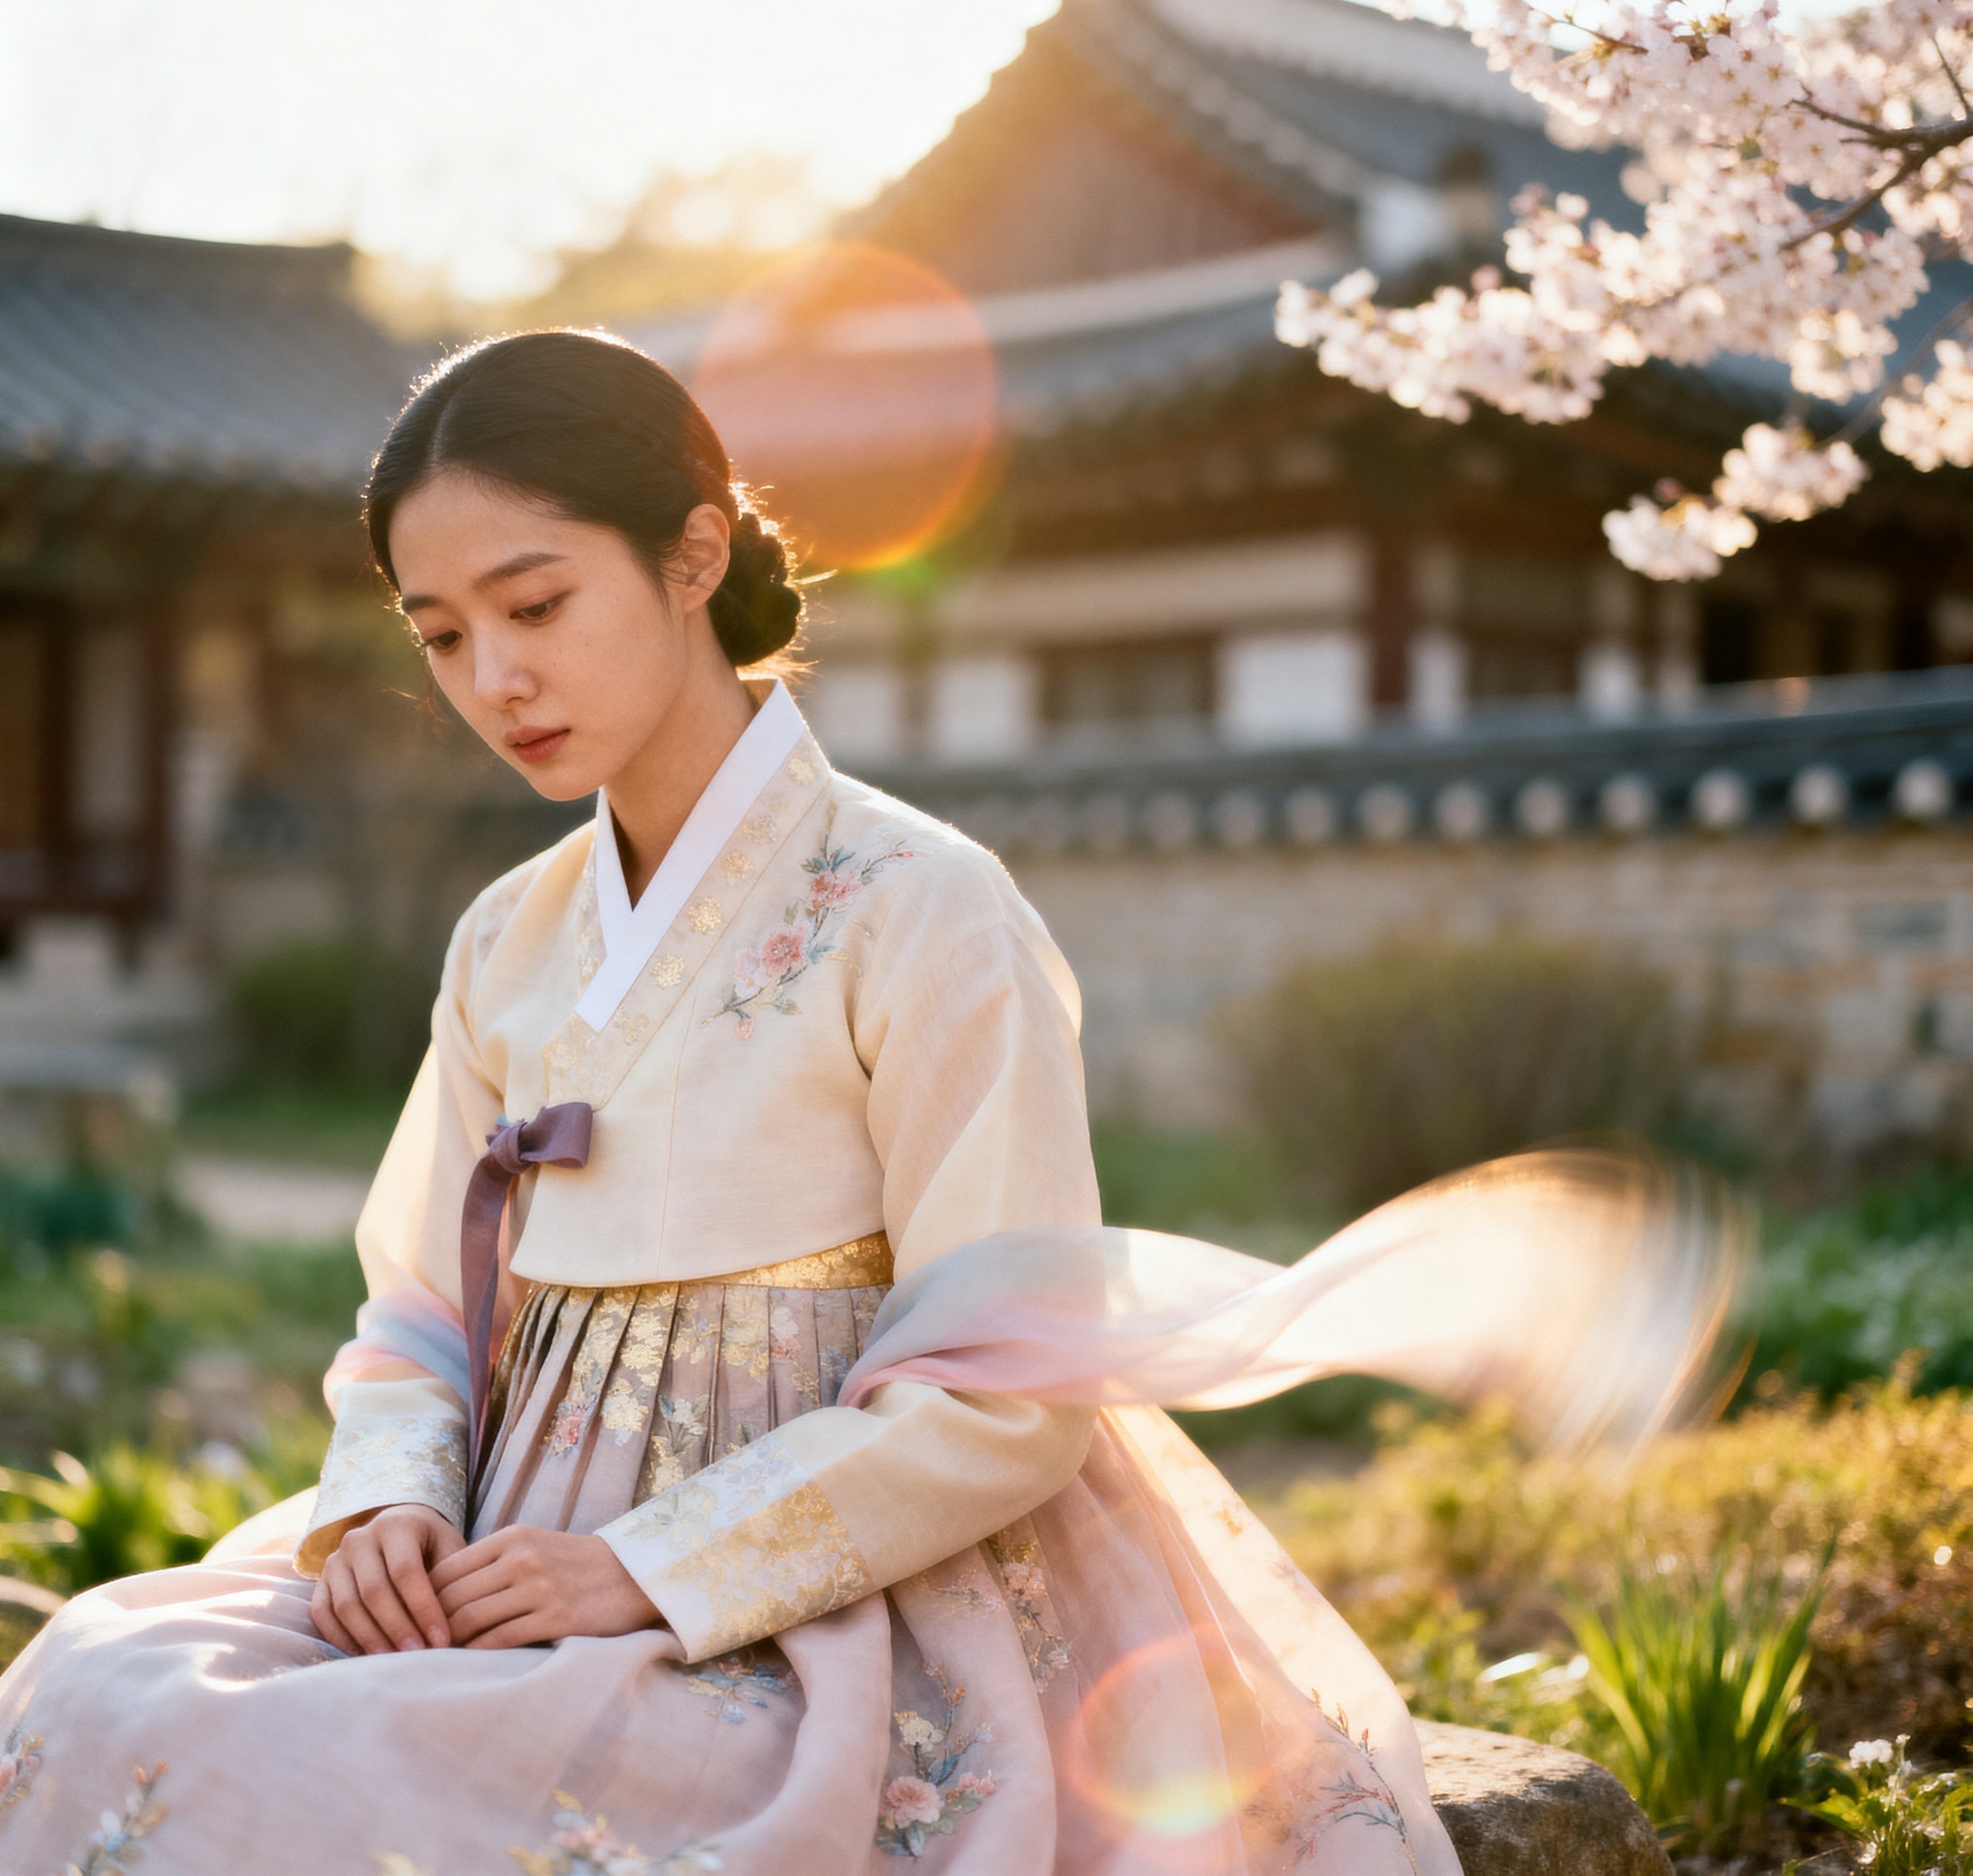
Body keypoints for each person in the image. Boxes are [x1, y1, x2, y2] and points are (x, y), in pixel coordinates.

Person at [0, 330, 1734, 1875]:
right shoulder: (505, 938)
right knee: (105, 1682)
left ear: (692, 552)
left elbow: (1005, 1385)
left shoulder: (924, 904)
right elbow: (416, 1307)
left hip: (832, 1585)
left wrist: (655, 1572)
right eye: (441, 634)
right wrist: (388, 1504)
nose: (493, 680)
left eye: (536, 606)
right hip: (505, 1539)